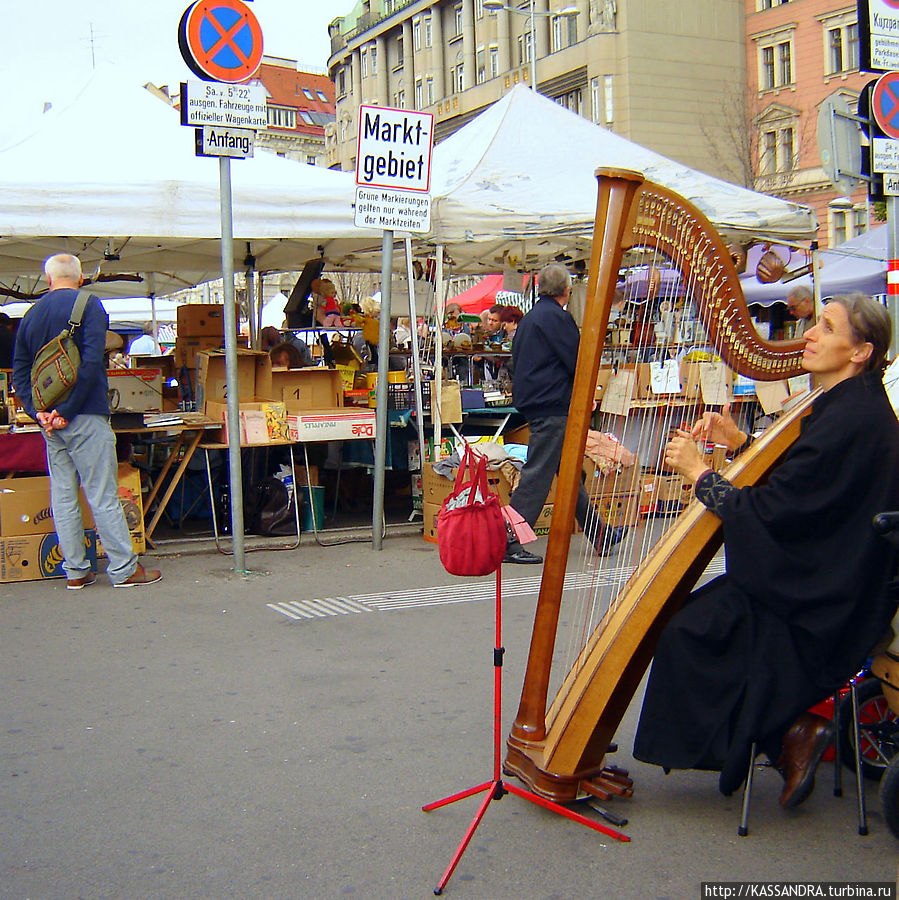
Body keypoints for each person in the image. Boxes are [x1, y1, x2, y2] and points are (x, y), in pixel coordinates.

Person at [633, 293, 899, 807]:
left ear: (860, 351)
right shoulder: (849, 406)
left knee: (687, 633)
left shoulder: (852, 418)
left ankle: (785, 734)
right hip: (818, 574)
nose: (810, 335)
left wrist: (699, 473)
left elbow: (778, 511)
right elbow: (801, 486)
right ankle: (787, 735)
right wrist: (739, 446)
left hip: (822, 595)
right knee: (691, 620)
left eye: (825, 327)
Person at [12, 254, 162, 589]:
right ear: (80, 278)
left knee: (63, 494)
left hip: (49, 422)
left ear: (48, 280)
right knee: (102, 493)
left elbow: (21, 370)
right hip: (85, 415)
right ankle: (124, 569)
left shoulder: (31, 314)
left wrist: (39, 411)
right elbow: (92, 363)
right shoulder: (89, 305)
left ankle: (76, 571)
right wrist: (68, 410)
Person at [503, 263, 624, 564]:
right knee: (538, 473)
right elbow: (577, 361)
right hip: (553, 405)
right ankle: (510, 538)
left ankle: (599, 532)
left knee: (567, 471)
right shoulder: (558, 318)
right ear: (567, 290)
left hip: (539, 402)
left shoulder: (530, 319)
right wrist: (587, 395)